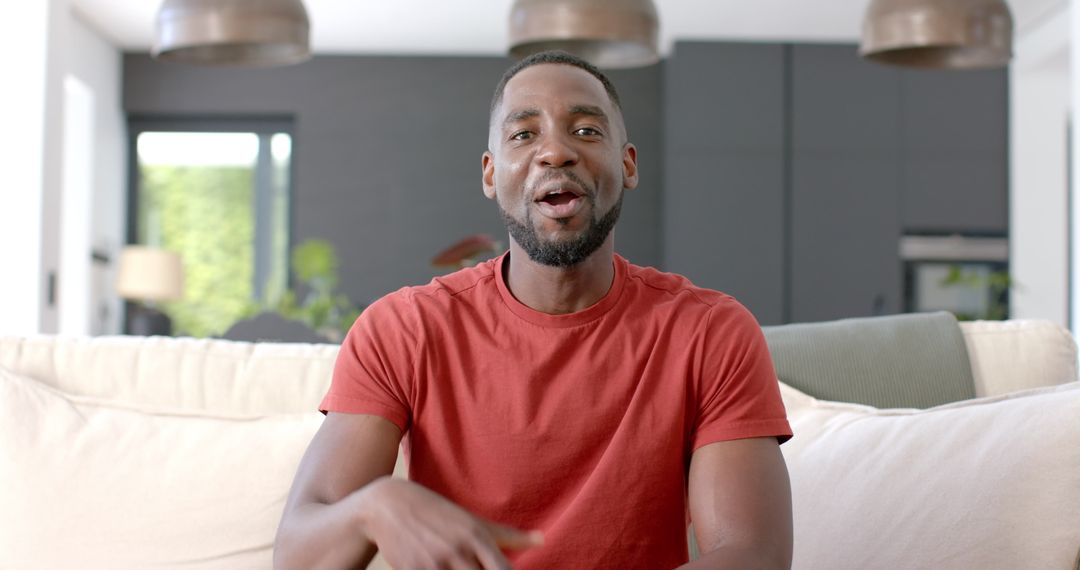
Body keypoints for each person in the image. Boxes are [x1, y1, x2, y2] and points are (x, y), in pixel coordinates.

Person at [274, 50, 793, 570]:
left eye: (587, 131)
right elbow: (296, 557)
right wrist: (374, 507)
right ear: (491, 174)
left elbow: (753, 556)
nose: (555, 152)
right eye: (524, 134)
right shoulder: (402, 328)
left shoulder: (711, 331)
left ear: (627, 164)